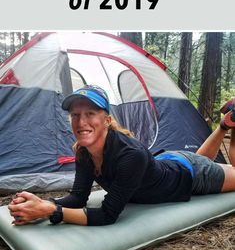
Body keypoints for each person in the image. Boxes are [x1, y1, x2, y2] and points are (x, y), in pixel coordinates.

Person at [8, 87, 235, 227]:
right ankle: (225, 124)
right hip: (168, 160)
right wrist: (42, 203)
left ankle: (229, 125)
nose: (81, 122)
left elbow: (107, 215)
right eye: (75, 115)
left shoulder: (130, 156)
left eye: (90, 114)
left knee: (211, 166)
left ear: (107, 120)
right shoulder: (83, 152)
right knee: (200, 158)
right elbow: (78, 198)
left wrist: (50, 211)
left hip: (192, 176)